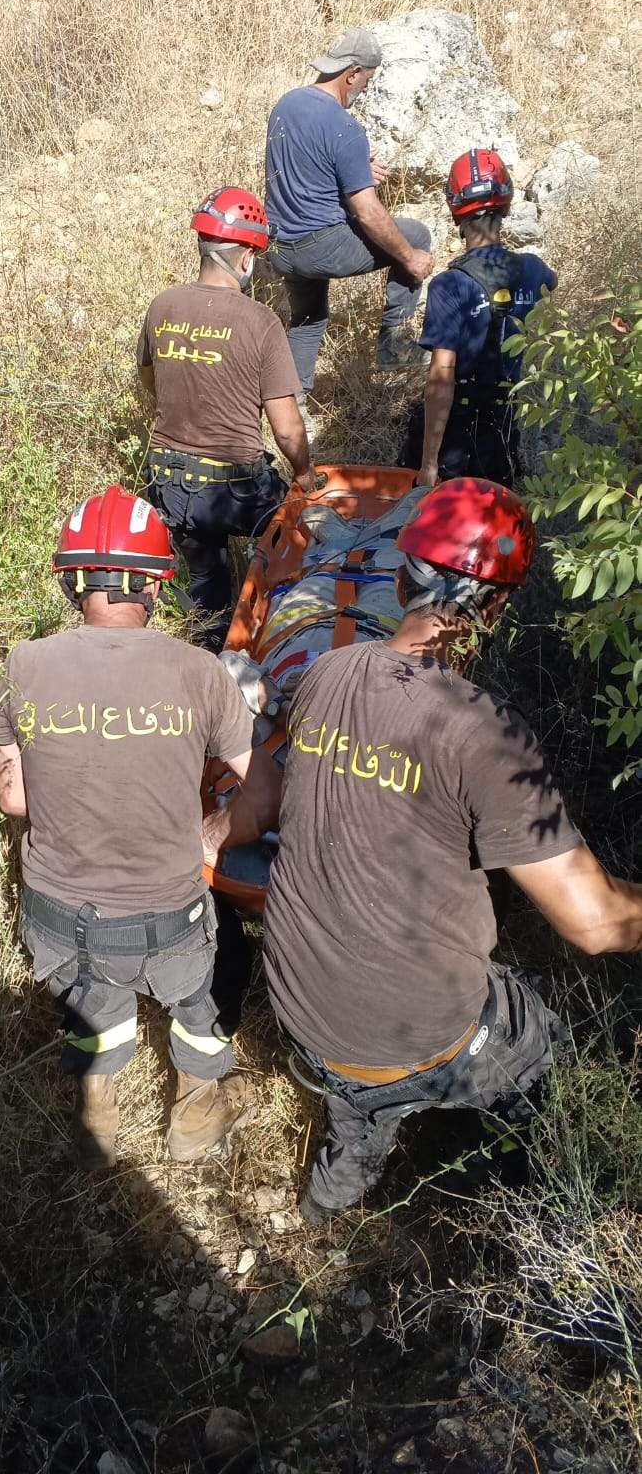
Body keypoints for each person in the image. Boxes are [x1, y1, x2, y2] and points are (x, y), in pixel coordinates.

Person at [250, 478, 642, 1224]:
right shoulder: (485, 734)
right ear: (493, 610)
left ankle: (328, 1199)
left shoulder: (328, 674)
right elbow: (593, 923)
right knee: (542, 1052)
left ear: (399, 581)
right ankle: (535, 1185)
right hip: (410, 1027)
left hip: (301, 1008)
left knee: (357, 1112)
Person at [0, 485, 277, 1171]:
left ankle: (99, 1120)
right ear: (154, 584)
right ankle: (193, 1123)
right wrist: (212, 834)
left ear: (73, 581)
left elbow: (14, 801)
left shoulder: (24, 665)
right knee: (201, 1005)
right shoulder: (199, 672)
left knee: (94, 1004)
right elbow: (267, 792)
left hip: (58, 914)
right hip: (167, 915)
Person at [138, 187, 314, 652]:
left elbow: (151, 380)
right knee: (297, 550)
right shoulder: (261, 321)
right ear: (247, 258)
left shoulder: (162, 306)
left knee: (206, 585)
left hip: (169, 483)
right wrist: (304, 474)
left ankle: (210, 651)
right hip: (239, 491)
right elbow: (286, 427)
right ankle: (277, 641)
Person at [264, 27, 434, 394]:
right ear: (352, 73)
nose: (367, 89)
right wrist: (410, 258)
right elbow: (368, 212)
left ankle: (293, 402)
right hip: (320, 247)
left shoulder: (285, 105)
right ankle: (395, 346)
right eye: (368, 80)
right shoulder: (345, 127)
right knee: (416, 235)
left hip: (279, 247)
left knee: (308, 318)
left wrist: (356, 172)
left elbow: (306, 174)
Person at [403, 148, 557, 486]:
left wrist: (429, 462)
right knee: (495, 503)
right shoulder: (533, 269)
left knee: (433, 507)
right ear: (506, 206)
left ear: (456, 212)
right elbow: (551, 287)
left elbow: (441, 376)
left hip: (456, 431)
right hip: (503, 421)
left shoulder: (449, 285)